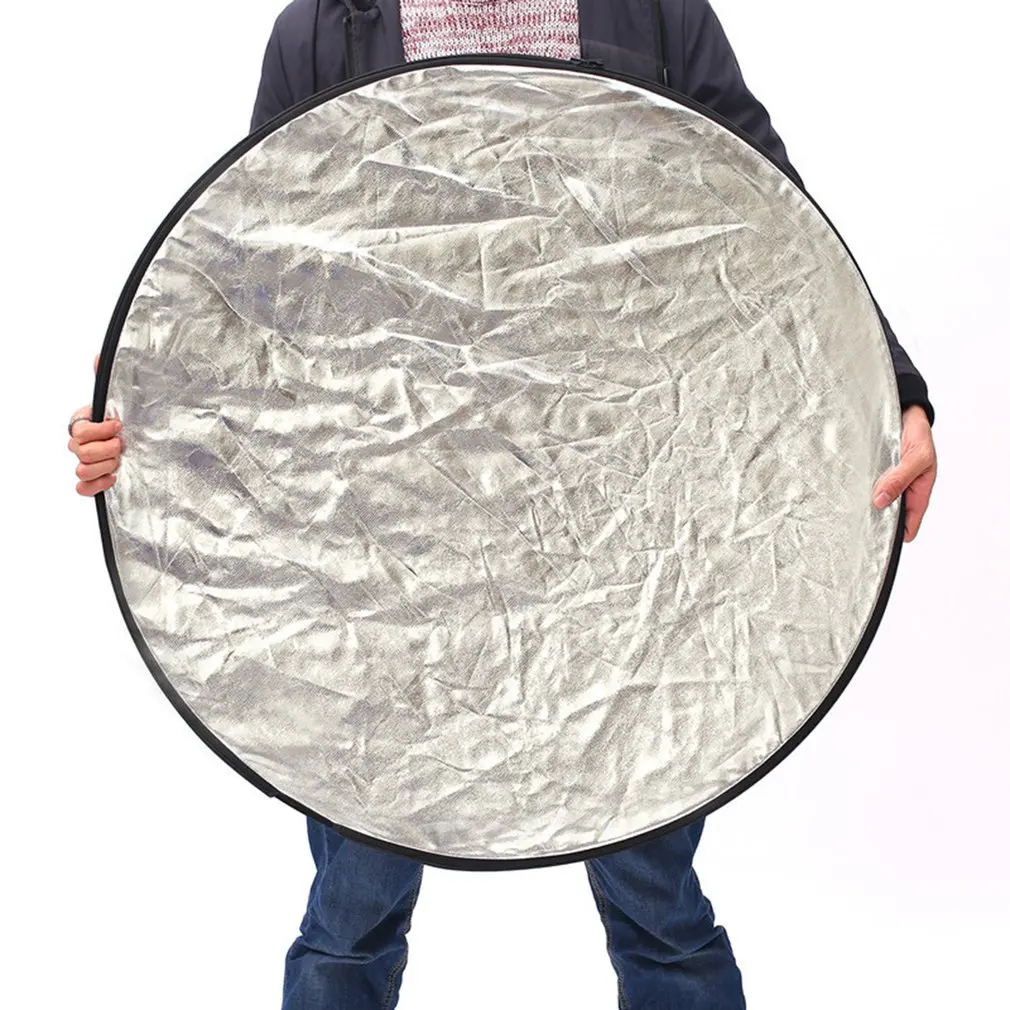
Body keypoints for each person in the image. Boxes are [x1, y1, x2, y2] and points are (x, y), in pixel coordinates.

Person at [66, 2, 939, 1007]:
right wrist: (139, 396)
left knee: (657, 907)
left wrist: (900, 395)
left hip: (625, 539)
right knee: (351, 913)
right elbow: (248, 277)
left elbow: (778, 226)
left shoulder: (654, 11)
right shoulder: (326, 26)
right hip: (383, 554)